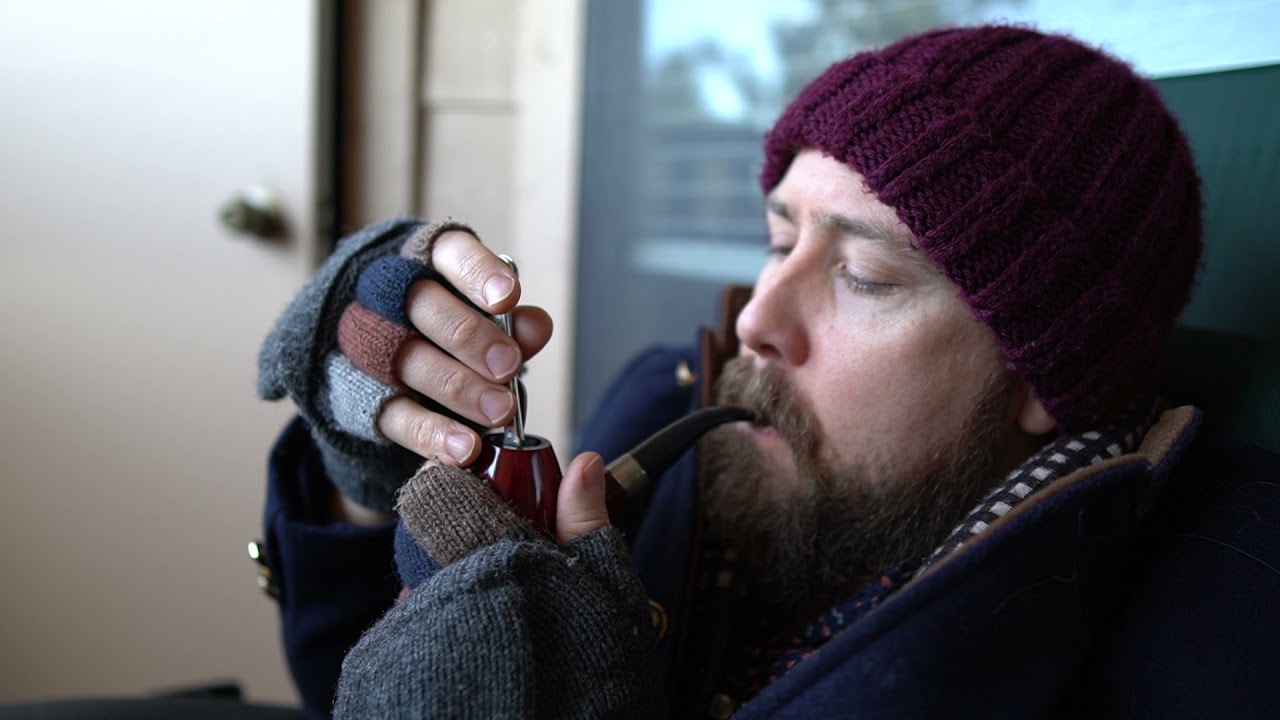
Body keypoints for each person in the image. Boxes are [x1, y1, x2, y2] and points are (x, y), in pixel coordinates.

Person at [255, 25, 1280, 718]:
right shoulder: (667, 401)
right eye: (775, 236)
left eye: (864, 273)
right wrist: (369, 473)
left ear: (1043, 372)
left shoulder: (1220, 612)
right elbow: (337, 681)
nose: (755, 321)